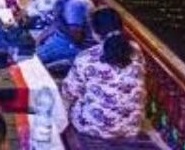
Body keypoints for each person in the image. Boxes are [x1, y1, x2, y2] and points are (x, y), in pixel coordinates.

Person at [61, 8, 145, 139]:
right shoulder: (136, 50)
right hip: (132, 126)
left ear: (95, 32)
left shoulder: (86, 57)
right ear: (121, 27)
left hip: (93, 127)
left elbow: (68, 93)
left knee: (67, 99)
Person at [35, 0, 94, 64]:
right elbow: (56, 24)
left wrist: (59, 19)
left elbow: (77, 38)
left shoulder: (75, 4)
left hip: (74, 46)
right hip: (62, 38)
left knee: (30, 60)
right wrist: (40, 37)